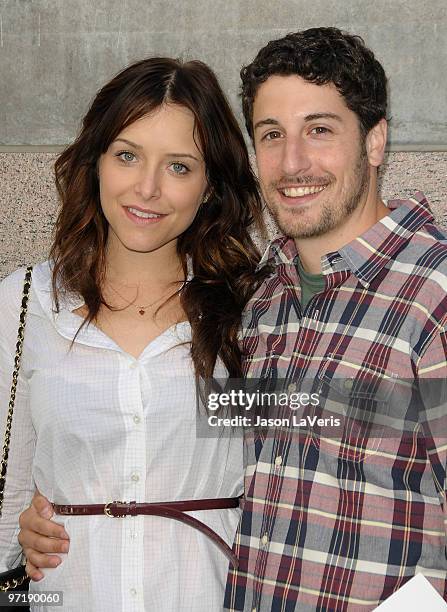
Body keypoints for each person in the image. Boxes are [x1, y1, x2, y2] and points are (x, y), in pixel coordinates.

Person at [17, 27, 447, 610]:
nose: (293, 162)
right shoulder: (261, 303)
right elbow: (217, 461)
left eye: (319, 130)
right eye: (272, 134)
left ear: (375, 141)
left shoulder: (434, 293)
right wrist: (51, 519)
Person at [0, 57, 268, 611]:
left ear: (210, 185)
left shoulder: (253, 310)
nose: (147, 189)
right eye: (127, 156)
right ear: (96, 160)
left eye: (178, 167)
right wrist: (18, 543)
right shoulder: (24, 303)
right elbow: (10, 499)